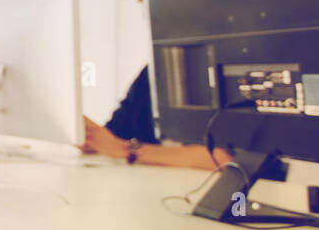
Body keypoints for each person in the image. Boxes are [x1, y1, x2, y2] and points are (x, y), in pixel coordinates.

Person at [80, 65, 231, 170]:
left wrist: (129, 150)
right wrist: (85, 135)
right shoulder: (152, 72)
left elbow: (225, 159)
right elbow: (114, 137)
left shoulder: (223, 71)